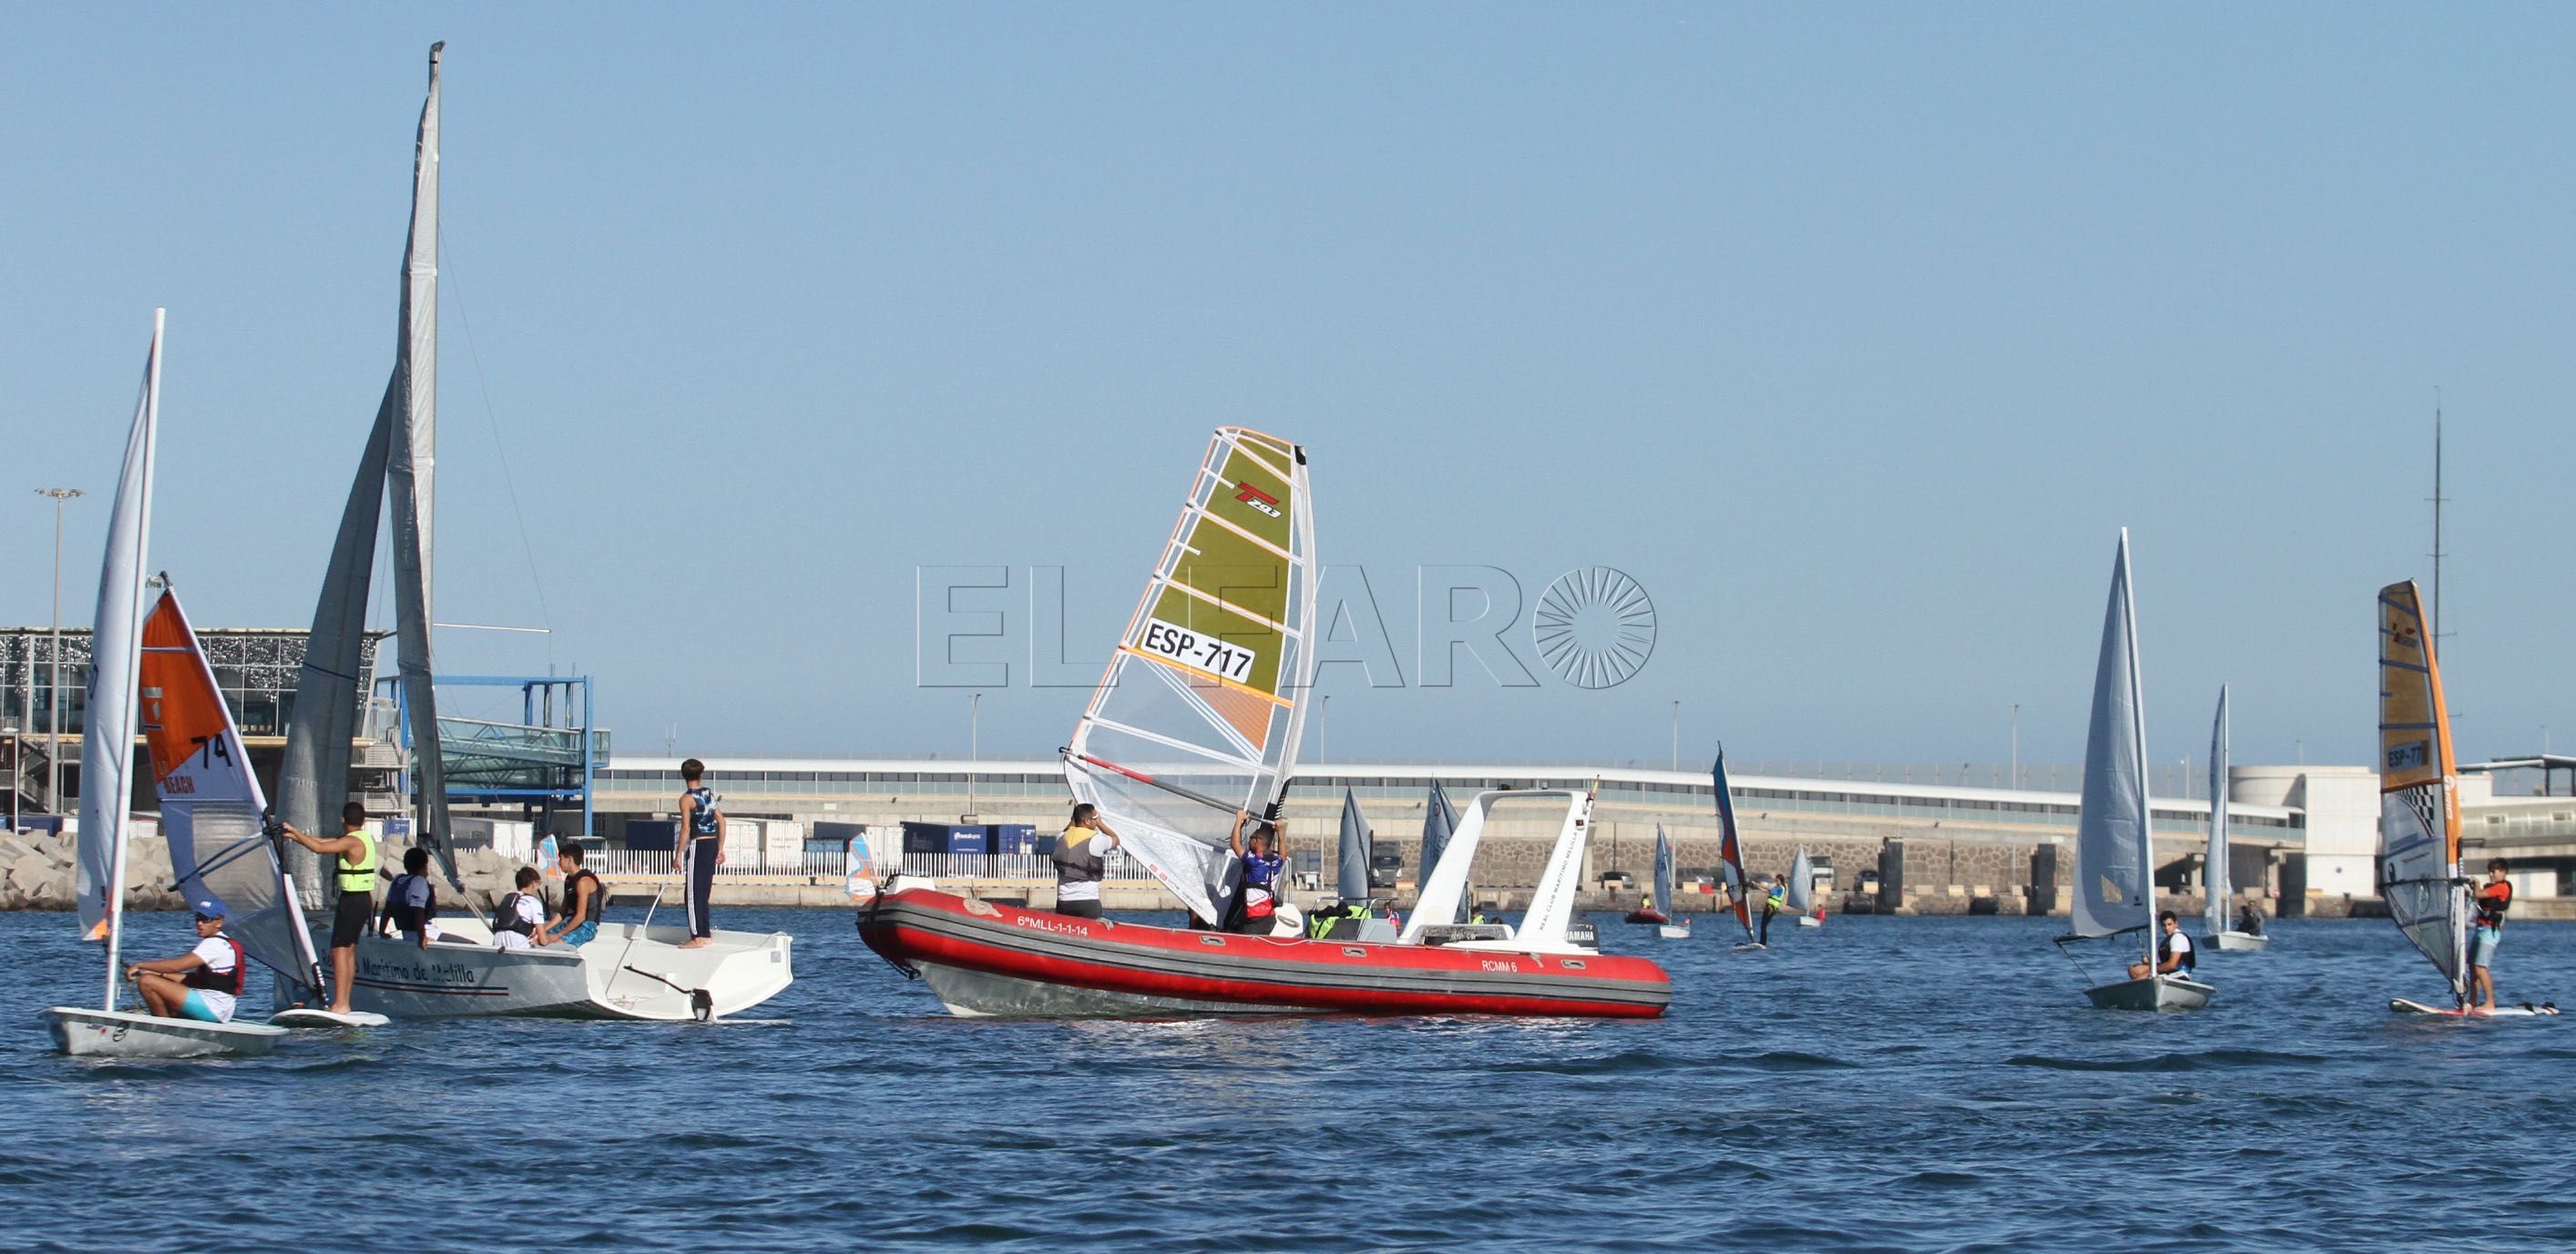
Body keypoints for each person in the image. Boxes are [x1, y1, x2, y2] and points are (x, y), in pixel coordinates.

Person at [281, 800, 376, 1014]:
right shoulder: (361, 838)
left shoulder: (351, 842)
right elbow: (326, 841)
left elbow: (320, 848)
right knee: (348, 950)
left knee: (339, 951)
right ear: (364, 821)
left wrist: (296, 830)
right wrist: (295, 837)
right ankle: (344, 1003)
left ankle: (341, 1004)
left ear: (343, 820)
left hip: (352, 901)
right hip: (361, 900)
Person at [127, 910, 246, 1024]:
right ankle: (168, 1022)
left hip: (213, 1008)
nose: (199, 923)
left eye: (206, 919)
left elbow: (176, 966)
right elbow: (195, 980)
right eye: (198, 919)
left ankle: (165, 1029)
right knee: (153, 979)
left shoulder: (214, 944)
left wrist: (139, 965)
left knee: (147, 981)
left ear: (219, 922)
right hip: (221, 1010)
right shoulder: (224, 942)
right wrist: (160, 974)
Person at [677, 758, 724, 949]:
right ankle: (705, 934)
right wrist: (720, 848)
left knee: (692, 893)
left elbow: (686, 829)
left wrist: (678, 854)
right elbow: (721, 821)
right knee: (703, 891)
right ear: (701, 774)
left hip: (699, 844)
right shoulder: (708, 794)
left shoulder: (686, 799)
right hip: (712, 844)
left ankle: (697, 936)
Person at [1049, 803, 1122, 920]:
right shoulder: (1097, 839)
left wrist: (1076, 815)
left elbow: (1070, 828)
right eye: (1094, 818)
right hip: (1088, 903)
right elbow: (1116, 840)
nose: (1096, 821)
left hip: (1064, 903)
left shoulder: (1060, 837)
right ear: (1087, 821)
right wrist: (1100, 823)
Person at [377, 847, 457, 947]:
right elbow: (418, 910)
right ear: (425, 865)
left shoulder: (398, 880)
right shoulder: (419, 881)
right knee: (472, 944)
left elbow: (388, 908)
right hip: (425, 932)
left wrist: (382, 931)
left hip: (406, 932)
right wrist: (422, 937)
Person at [1230, 810, 1286, 934]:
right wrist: (1281, 832)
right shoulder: (1276, 862)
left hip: (1256, 918)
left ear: (1257, 840)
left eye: (1250, 839)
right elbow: (1283, 855)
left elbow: (1234, 844)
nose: (1248, 842)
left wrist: (1239, 820)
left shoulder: (1254, 862)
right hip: (1268, 917)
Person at [538, 842, 604, 947]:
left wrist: (558, 935)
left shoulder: (583, 882)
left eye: (561, 859)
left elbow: (581, 916)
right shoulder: (569, 880)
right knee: (540, 936)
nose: (559, 863)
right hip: (572, 922)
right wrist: (543, 929)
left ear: (569, 859)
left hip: (586, 927)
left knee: (555, 943)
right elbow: (562, 913)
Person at [2469, 859, 2512, 1013]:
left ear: (2503, 873)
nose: (2491, 874)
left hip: (2490, 932)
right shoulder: (2493, 887)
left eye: (2494, 871)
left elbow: (2479, 894)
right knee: (2473, 967)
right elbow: (2478, 897)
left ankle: (2489, 1002)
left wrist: (2476, 883)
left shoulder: (2502, 888)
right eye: (2490, 871)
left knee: (2481, 967)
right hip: (2481, 929)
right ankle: (2472, 1002)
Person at [2130, 910, 2197, 981]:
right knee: (2134, 969)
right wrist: (2151, 963)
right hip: (2170, 973)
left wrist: (2152, 969)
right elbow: (2166, 965)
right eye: (2164, 925)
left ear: (2176, 924)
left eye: (2169, 924)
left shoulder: (2178, 937)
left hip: (2181, 975)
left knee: (2140, 978)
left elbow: (2171, 965)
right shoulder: (2170, 938)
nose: (2166, 928)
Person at [491, 867, 547, 951]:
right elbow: (543, 941)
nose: (538, 887)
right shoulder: (533, 902)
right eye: (539, 883)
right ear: (533, 884)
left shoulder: (507, 898)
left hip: (497, 941)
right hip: (517, 943)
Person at [1761, 876, 1786, 944]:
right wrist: (1754, 885)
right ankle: (1762, 942)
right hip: (1768, 907)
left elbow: (1768, 889)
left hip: (1771, 909)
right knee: (1763, 925)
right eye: (1776, 880)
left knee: (1764, 925)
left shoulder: (1781, 888)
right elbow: (1765, 890)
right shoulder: (1776, 887)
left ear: (1781, 881)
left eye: (1777, 880)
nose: (1776, 882)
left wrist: (1757, 884)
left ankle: (1763, 943)